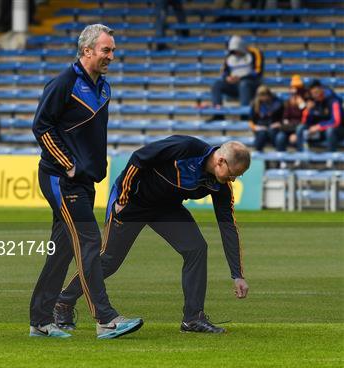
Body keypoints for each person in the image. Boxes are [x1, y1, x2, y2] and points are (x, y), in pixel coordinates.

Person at [53, 136, 250, 334]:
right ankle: (62, 302)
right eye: (233, 174)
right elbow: (139, 158)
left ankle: (193, 318)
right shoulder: (185, 148)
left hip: (166, 209)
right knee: (109, 260)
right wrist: (123, 197)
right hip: (132, 202)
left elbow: (228, 226)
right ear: (221, 161)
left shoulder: (220, 185)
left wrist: (237, 275)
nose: (232, 180)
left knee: (196, 248)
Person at [30, 24, 143, 339]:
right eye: (106, 50)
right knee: (90, 241)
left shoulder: (104, 88)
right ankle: (105, 318)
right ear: (86, 51)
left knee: (63, 251)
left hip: (85, 181)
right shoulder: (64, 83)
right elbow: (41, 126)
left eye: (113, 50)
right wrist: (67, 165)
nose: (111, 56)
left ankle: (40, 320)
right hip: (60, 179)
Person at [207, 35, 264, 121]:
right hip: (235, 85)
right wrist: (227, 78)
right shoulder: (230, 56)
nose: (235, 53)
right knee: (217, 85)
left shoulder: (255, 52)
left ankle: (244, 114)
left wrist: (240, 78)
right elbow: (224, 71)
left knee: (243, 84)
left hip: (252, 84)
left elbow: (258, 72)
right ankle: (218, 113)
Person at [296, 80, 344, 152]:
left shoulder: (334, 100)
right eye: (312, 93)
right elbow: (305, 122)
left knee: (330, 131)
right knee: (301, 128)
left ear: (322, 89)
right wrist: (307, 110)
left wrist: (319, 126)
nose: (315, 95)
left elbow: (336, 121)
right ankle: (303, 156)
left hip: (337, 131)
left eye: (316, 92)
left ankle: (331, 158)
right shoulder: (313, 101)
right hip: (320, 132)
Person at [249, 85, 284, 152]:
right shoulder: (255, 104)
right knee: (262, 134)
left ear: (268, 95)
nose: (262, 98)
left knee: (274, 133)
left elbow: (283, 117)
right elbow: (251, 121)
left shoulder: (278, 103)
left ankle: (278, 155)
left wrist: (279, 123)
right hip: (261, 128)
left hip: (273, 128)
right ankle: (258, 154)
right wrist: (256, 127)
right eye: (260, 96)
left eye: (263, 96)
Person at [280, 75, 307, 150]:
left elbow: (306, 116)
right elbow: (285, 118)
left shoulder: (306, 101)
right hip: (290, 127)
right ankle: (281, 159)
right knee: (280, 137)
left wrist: (302, 105)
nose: (294, 95)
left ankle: (300, 155)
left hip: (301, 127)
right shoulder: (288, 102)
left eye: (297, 92)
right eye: (292, 92)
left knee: (299, 131)